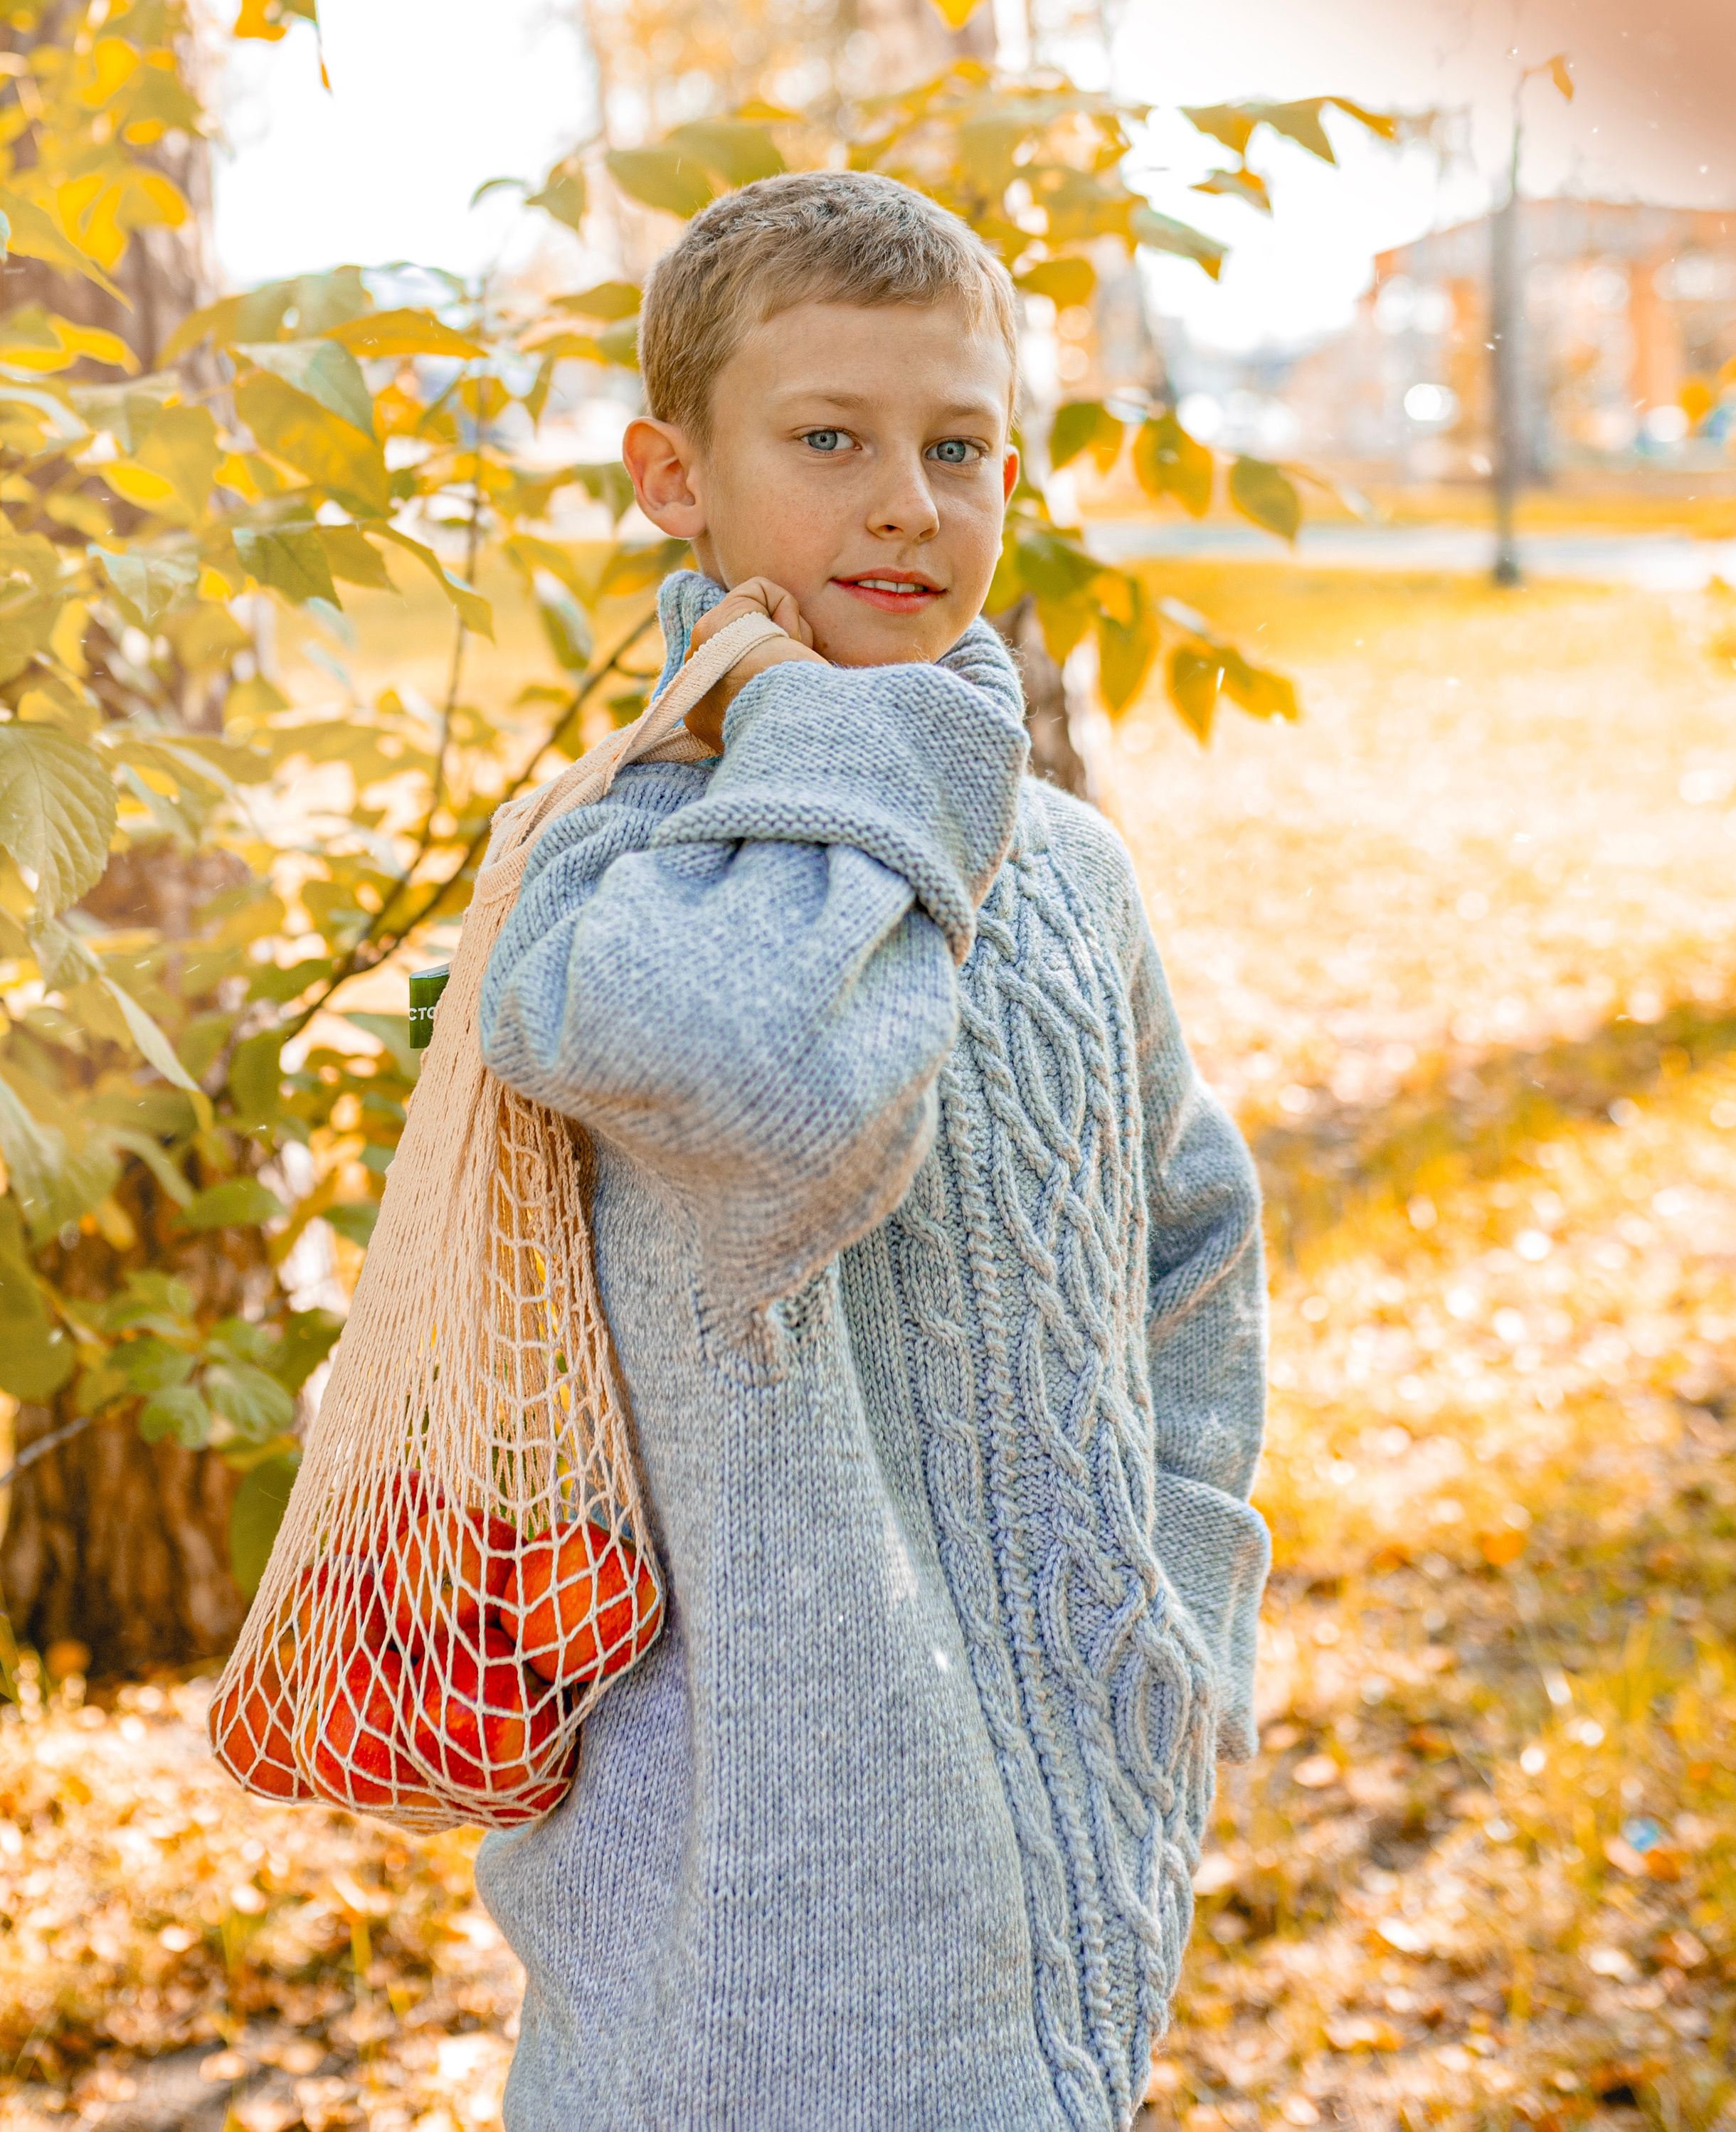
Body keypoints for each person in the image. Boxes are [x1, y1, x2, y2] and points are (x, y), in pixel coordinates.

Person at [475, 168, 1270, 2132]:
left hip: (1065, 1812)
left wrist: (1178, 1603)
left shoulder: (1069, 873)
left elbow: (1191, 1241)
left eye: (959, 446)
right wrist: (837, 735)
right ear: (678, 479)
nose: (908, 502)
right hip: (740, 1883)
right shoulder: (611, 870)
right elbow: (777, 1112)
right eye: (828, 441)